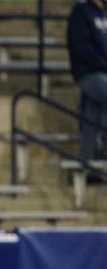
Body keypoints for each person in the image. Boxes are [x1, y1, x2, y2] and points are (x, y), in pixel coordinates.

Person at [67, 0, 107, 161]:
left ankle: (87, 161)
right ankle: (103, 145)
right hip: (88, 73)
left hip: (102, 73)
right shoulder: (81, 12)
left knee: (92, 116)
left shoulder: (102, 13)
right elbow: (80, 47)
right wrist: (103, 64)